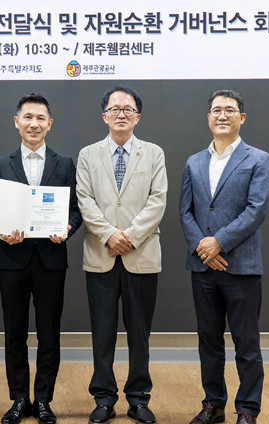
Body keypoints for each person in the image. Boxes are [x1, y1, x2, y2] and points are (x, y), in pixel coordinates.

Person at [179, 90, 269, 424]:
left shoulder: (259, 159)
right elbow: (186, 211)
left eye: (229, 110)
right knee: (209, 341)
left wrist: (218, 243)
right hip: (203, 268)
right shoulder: (194, 162)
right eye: (216, 110)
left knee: (246, 343)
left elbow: (256, 210)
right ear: (208, 118)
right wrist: (203, 248)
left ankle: (247, 409)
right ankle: (213, 405)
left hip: (241, 266)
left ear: (241, 118)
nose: (222, 115)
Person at [0, 93, 82, 424]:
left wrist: (67, 228)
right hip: (11, 260)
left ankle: (43, 400)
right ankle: (18, 398)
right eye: (28, 117)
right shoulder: (1, 163)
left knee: (49, 334)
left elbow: (75, 210)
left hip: (50, 259)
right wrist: (1, 233)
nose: (34, 124)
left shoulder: (65, 163)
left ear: (50, 124)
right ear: (17, 122)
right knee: (14, 333)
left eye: (40, 118)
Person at [75, 86, 167, 424]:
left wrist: (129, 236)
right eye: (115, 109)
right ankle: (103, 398)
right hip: (100, 254)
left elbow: (158, 200)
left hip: (141, 255)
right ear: (104, 116)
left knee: (140, 334)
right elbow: (84, 200)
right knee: (102, 333)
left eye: (128, 109)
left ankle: (139, 399)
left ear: (137, 117)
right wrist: (109, 235)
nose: (121, 114)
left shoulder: (153, 153)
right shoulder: (88, 154)